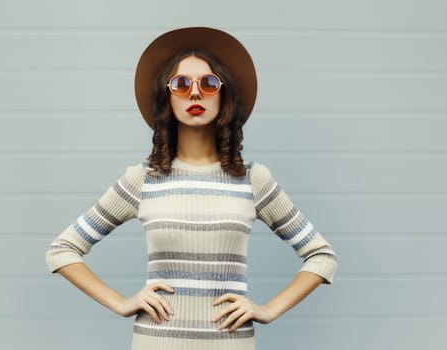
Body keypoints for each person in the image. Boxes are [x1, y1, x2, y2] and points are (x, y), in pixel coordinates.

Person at [45, 27, 338, 350]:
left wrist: (268, 310)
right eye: (181, 84)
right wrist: (120, 303)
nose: (195, 93)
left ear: (223, 96)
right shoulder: (142, 179)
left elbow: (321, 256)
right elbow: (62, 250)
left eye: (209, 84)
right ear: (166, 98)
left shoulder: (254, 180)